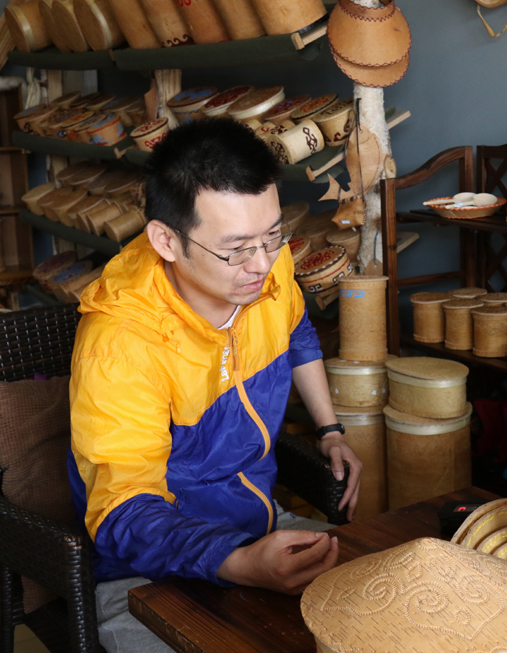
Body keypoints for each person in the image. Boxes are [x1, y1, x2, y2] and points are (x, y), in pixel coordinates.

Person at [68, 118, 362, 652]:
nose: (263, 264)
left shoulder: (267, 266)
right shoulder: (119, 345)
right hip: (148, 574)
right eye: (236, 248)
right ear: (167, 240)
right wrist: (237, 562)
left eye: (273, 236)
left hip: (262, 523)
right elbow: (124, 510)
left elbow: (295, 330)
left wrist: (331, 429)